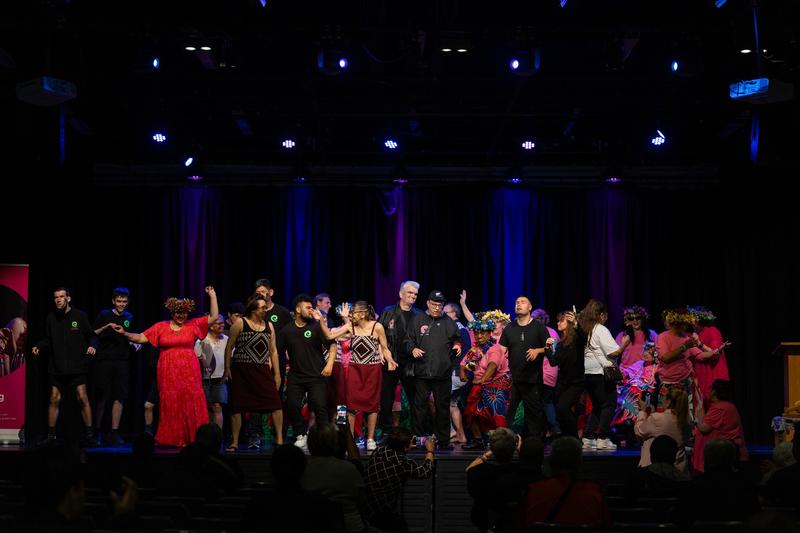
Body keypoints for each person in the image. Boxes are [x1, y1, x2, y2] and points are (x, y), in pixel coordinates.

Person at [110, 286, 218, 447]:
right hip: (168, 372)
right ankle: (171, 438)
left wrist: (212, 296)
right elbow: (140, 337)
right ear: (171, 313)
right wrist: (125, 333)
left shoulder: (192, 324)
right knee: (171, 401)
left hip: (189, 372)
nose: (181, 316)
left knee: (190, 400)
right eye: (177, 313)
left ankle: (194, 437)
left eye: (183, 313)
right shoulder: (161, 326)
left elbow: (214, 317)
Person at [320, 301, 397, 450]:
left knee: (372, 405)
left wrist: (390, 359)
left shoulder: (377, 327)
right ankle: (350, 439)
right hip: (355, 369)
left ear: (362, 314)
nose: (351, 315)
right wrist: (320, 320)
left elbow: (385, 348)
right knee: (350, 405)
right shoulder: (351, 327)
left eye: (353, 312)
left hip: (373, 370)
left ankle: (370, 439)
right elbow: (330, 336)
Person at [32, 287, 99, 446]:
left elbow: (92, 336)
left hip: (77, 367)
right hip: (57, 367)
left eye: (62, 296)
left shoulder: (80, 316)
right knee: (54, 398)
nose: (58, 300)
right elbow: (48, 339)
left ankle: (89, 435)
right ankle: (51, 436)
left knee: (82, 397)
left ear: (68, 298)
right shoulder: (51, 318)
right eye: (56, 297)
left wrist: (93, 345)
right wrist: (39, 347)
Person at [513, 436, 611, 532]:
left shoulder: (534, 491)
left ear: (551, 461)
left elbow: (519, 526)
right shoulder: (594, 494)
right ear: (579, 463)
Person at [224, 295, 283, 451]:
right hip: (242, 371)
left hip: (262, 370)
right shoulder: (240, 323)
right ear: (253, 309)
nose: (265, 310)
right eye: (262, 308)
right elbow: (229, 346)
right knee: (237, 406)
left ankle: (280, 440)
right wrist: (227, 368)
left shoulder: (269, 325)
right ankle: (235, 442)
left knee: (275, 403)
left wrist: (277, 374)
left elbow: (274, 351)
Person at [405, 290, 463, 450]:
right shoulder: (417, 320)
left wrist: (457, 345)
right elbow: (408, 341)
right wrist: (413, 349)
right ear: (428, 303)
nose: (437, 308)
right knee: (419, 407)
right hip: (422, 371)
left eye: (440, 305)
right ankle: (417, 439)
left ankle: (443, 441)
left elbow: (456, 338)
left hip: (442, 372)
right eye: (434, 304)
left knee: (442, 407)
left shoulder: (448, 322)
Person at [280, 294, 336, 450]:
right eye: (308, 307)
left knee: (319, 406)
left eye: (312, 307)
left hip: (316, 375)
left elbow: (332, 344)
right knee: (291, 404)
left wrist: (330, 364)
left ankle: (324, 439)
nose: (311, 310)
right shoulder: (287, 330)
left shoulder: (316, 326)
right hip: (296, 375)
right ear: (298, 309)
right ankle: (300, 434)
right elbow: (277, 352)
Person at [364, 427, 435, 533]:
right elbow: (425, 471)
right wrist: (430, 451)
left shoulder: (378, 451)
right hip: (382, 512)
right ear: (405, 447)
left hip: (366, 508)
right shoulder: (402, 462)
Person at [91, 287, 138, 445]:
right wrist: (105, 328)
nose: (121, 304)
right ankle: (96, 432)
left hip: (122, 362)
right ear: (113, 301)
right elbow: (93, 333)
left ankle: (114, 432)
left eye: (124, 301)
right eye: (119, 301)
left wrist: (134, 343)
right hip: (104, 361)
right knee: (102, 397)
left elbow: (131, 335)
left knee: (119, 397)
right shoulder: (104, 315)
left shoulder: (129, 317)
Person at [499, 296, 550, 439]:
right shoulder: (510, 327)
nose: (518, 304)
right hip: (514, 378)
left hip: (532, 379)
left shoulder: (539, 327)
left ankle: (534, 443)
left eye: (522, 302)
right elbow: (501, 350)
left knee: (534, 413)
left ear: (530, 307)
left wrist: (537, 350)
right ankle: (506, 442)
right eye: (516, 302)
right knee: (511, 412)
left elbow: (550, 348)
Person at [302, 423, 366, 533]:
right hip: (351, 526)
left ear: (310, 443)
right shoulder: (349, 469)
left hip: (311, 526)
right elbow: (362, 500)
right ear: (334, 443)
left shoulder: (301, 469)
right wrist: (347, 432)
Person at [378, 281, 422, 438]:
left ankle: (417, 432)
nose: (413, 296)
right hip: (391, 360)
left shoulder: (419, 314)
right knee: (387, 398)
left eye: (415, 294)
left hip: (411, 363)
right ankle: (386, 431)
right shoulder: (388, 311)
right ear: (401, 294)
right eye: (410, 293)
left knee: (415, 398)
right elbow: (378, 333)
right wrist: (382, 352)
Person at [460, 316, 512, 450]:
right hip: (480, 385)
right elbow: (465, 364)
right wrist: (463, 373)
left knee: (495, 414)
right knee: (471, 413)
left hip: (496, 385)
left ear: (489, 333)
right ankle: (478, 440)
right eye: (476, 333)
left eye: (482, 333)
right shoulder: (476, 349)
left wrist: (482, 380)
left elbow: (493, 366)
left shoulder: (495, 348)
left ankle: (504, 443)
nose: (478, 336)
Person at [579, 298, 624, 451]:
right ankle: (603, 438)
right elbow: (613, 352)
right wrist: (625, 342)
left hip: (588, 373)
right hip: (601, 373)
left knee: (598, 406)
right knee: (609, 404)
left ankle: (588, 437)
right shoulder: (600, 329)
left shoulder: (584, 329)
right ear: (601, 315)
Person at [466, 428, 520, 533]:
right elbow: (531, 465)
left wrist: (489, 452)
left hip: (486, 524)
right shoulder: (518, 471)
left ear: (492, 447)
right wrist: (518, 449)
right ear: (514, 447)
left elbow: (469, 469)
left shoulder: (479, 472)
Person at [691, 379, 748, 473]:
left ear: (714, 392)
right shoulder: (726, 406)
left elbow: (704, 429)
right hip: (723, 453)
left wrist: (697, 419)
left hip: (722, 455)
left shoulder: (720, 408)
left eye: (711, 388)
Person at [545, 310, 586, 438]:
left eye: (561, 321)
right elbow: (553, 362)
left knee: (563, 408)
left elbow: (583, 337)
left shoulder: (577, 341)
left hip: (575, 383)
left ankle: (574, 438)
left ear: (568, 323)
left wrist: (575, 323)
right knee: (560, 412)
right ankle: (567, 438)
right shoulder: (561, 343)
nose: (558, 323)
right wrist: (547, 349)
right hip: (563, 383)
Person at [634, 388, 689, 470]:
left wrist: (642, 411)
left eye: (663, 396)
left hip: (657, 469)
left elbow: (639, 430)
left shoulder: (657, 419)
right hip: (679, 468)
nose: (661, 399)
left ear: (669, 401)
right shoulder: (687, 420)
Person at [689, 306, 731, 403]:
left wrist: (699, 343)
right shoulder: (696, 334)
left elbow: (715, 352)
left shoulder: (712, 331)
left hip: (713, 373)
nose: (692, 323)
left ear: (700, 320)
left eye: (694, 320)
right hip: (702, 373)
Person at [195, 315, 228, 430]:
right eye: (218, 323)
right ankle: (208, 435)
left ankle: (218, 436)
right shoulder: (202, 339)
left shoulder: (226, 339)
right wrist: (204, 364)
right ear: (210, 326)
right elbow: (197, 355)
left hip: (220, 378)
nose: (222, 325)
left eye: (223, 323)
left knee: (217, 407)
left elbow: (230, 356)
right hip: (205, 379)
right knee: (207, 408)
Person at [532, 309, 561, 438]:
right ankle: (551, 430)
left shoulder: (538, 332)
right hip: (552, 372)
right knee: (547, 401)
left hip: (542, 372)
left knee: (540, 403)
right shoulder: (553, 332)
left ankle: (551, 429)